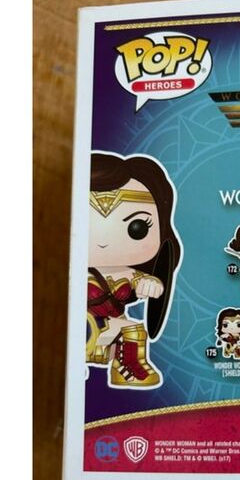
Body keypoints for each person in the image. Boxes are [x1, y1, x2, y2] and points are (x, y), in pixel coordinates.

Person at [86, 152, 181, 388]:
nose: (104, 242)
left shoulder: (130, 274)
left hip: (111, 332)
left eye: (137, 227)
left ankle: (127, 366)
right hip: (78, 326)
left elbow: (148, 283)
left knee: (132, 330)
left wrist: (152, 283)